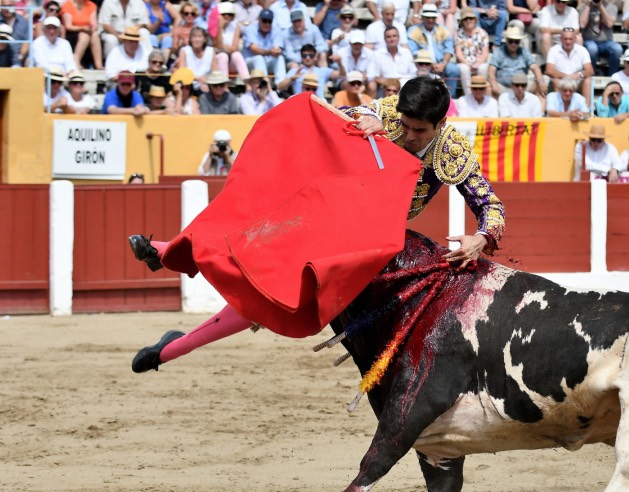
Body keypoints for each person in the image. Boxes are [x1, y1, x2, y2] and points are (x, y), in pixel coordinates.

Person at [127, 76, 505, 372]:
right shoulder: (390, 111)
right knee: (259, 218)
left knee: (277, 294)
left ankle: (172, 346)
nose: (407, 135)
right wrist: (360, 117)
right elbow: (335, 116)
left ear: (441, 123)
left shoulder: (453, 149)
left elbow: (491, 206)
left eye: (418, 131)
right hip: (337, 206)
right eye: (404, 125)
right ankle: (169, 253)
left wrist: (481, 236)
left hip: (373, 235)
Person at [407, 3, 460, 96]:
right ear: (422, 17)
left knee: (454, 70)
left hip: (441, 63)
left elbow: (449, 49)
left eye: (433, 17)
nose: (431, 20)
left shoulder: (443, 30)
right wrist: (430, 64)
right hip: (422, 63)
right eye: (428, 17)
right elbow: (413, 52)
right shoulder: (413, 31)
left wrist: (443, 64)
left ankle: (450, 98)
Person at [487, 24, 545, 99]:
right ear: (506, 40)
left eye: (516, 41)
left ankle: (538, 107)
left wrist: (541, 82)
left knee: (541, 84)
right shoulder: (499, 51)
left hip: (522, 87)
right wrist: (494, 84)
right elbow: (491, 69)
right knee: (488, 86)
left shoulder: (524, 51)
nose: (513, 44)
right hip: (503, 87)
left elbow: (535, 67)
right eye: (511, 41)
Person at [545, 25, 594, 99]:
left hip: (577, 81)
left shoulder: (582, 50)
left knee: (587, 80)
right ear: (561, 39)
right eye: (565, 39)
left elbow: (590, 71)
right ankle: (559, 105)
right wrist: (566, 77)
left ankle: (586, 106)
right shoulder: (553, 50)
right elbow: (549, 70)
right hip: (561, 80)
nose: (568, 42)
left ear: (575, 39)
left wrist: (578, 76)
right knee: (555, 81)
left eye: (570, 39)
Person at [366, 25, 415, 96]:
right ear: (384, 39)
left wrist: (397, 82)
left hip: (404, 86)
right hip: (384, 87)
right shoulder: (377, 54)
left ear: (399, 38)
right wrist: (388, 82)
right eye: (388, 37)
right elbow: (371, 76)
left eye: (394, 36)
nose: (392, 39)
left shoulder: (406, 52)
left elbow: (413, 74)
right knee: (371, 85)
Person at [243, 8, 287, 86]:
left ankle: (280, 86)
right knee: (259, 58)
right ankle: (265, 86)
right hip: (251, 62)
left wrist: (277, 51)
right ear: (259, 20)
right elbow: (255, 50)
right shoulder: (250, 29)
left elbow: (277, 49)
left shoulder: (276, 30)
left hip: (268, 61)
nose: (267, 24)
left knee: (279, 58)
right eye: (264, 21)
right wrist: (270, 52)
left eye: (269, 21)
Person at [579, 0, 622, 76]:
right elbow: (582, 24)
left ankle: (613, 76)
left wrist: (600, 6)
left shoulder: (611, 7)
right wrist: (588, 6)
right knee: (592, 48)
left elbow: (610, 24)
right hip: (589, 41)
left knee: (617, 49)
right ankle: (590, 75)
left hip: (606, 42)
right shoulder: (584, 6)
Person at [454, 7, 490, 96]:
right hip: (464, 62)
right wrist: (468, 64)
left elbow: (485, 53)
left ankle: (482, 94)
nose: (468, 21)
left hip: (480, 61)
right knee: (464, 69)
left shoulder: (483, 33)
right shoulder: (458, 34)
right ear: (462, 21)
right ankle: (469, 95)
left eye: (471, 18)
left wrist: (478, 63)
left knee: (483, 68)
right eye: (465, 19)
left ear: (475, 20)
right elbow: (458, 54)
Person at [61, 0, 103, 70]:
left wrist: (91, 28)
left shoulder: (91, 5)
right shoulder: (67, 5)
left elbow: (94, 25)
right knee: (84, 36)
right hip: (72, 33)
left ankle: (98, 65)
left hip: (87, 31)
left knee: (95, 35)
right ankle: (75, 60)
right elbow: (68, 26)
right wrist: (82, 28)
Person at [215, 2, 252, 81]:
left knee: (237, 55)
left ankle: (247, 82)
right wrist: (220, 27)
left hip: (231, 61)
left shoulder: (236, 26)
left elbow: (234, 48)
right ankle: (224, 83)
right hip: (218, 61)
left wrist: (224, 48)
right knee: (223, 56)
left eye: (229, 14)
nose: (226, 16)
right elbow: (219, 46)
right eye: (224, 14)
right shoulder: (213, 27)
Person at [1, 0, 30, 67]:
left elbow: (27, 41)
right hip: (1, 58)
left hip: (18, 60)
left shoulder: (23, 21)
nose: (7, 9)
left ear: (14, 6)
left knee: (29, 61)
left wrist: (21, 55)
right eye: (5, 6)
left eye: (10, 6)